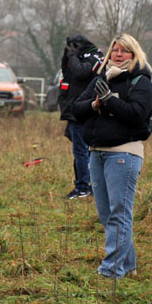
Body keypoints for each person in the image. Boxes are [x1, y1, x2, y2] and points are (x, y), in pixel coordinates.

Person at [72, 33, 152, 279]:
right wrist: (95, 105)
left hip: (124, 153)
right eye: (115, 50)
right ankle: (128, 265)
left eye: (124, 51)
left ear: (133, 54)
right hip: (96, 153)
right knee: (106, 214)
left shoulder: (140, 81)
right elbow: (76, 108)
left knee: (120, 211)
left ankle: (111, 270)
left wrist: (109, 102)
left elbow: (137, 114)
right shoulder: (100, 78)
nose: (118, 54)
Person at [58, 34, 104, 200]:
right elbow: (67, 71)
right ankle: (87, 185)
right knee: (83, 150)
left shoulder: (92, 57)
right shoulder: (80, 57)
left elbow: (80, 73)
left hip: (83, 112)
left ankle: (83, 187)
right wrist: (67, 54)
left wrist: (72, 54)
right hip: (75, 111)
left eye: (72, 47)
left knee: (82, 151)